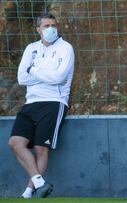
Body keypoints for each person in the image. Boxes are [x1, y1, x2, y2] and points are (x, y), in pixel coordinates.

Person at [8, 12, 74, 198]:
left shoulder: (65, 48)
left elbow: (59, 77)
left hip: (54, 102)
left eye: (53, 25)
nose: (51, 29)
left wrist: (34, 70)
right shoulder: (31, 49)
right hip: (31, 103)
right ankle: (40, 183)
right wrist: (46, 75)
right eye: (46, 26)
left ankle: (28, 193)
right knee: (15, 143)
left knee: (40, 149)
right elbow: (22, 78)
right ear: (38, 29)